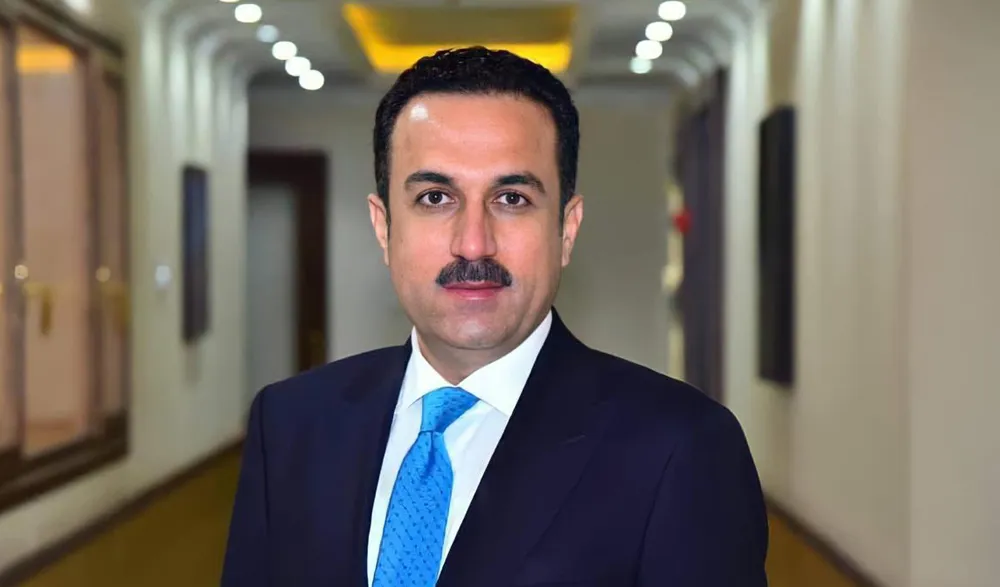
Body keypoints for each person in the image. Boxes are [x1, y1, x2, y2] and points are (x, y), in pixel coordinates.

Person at [221, 46, 768, 587]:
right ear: (384, 227)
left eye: (511, 199)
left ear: (567, 229)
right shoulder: (290, 424)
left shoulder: (679, 448)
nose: (473, 243)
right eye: (435, 197)